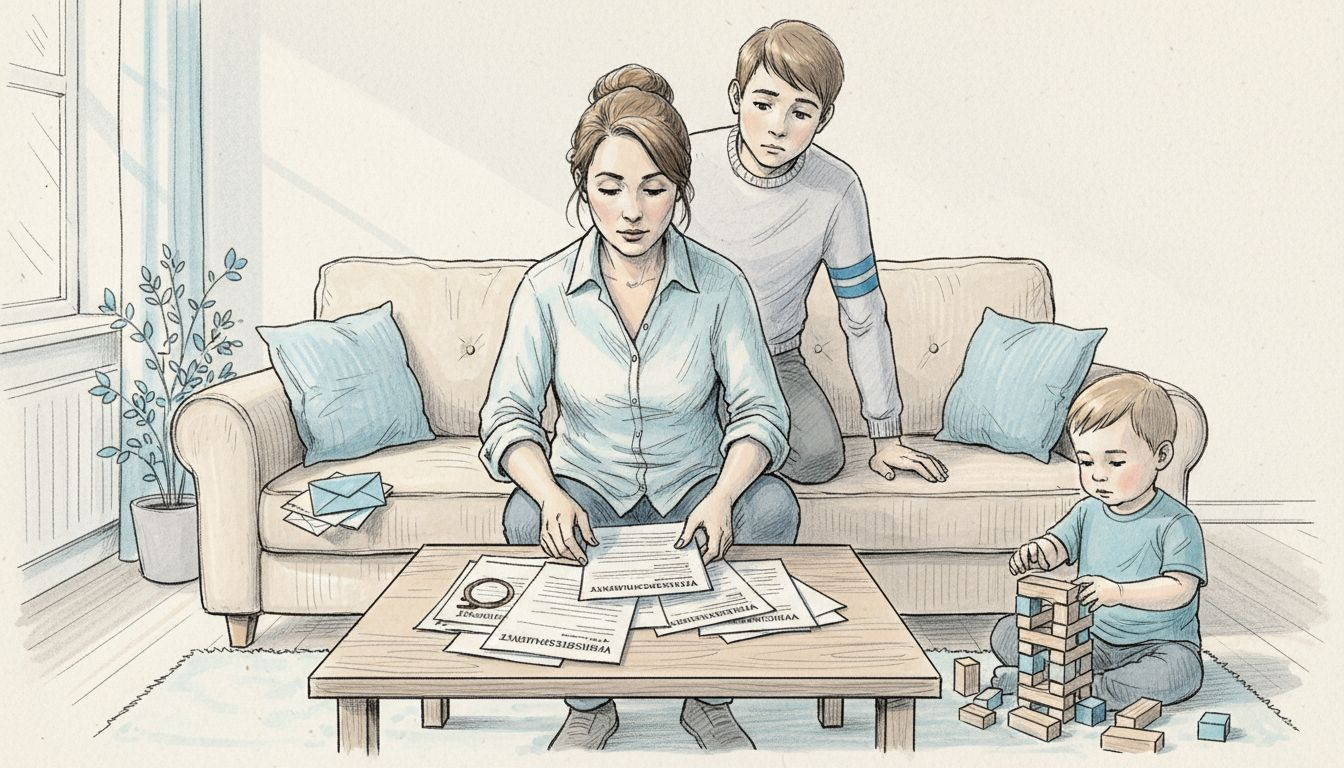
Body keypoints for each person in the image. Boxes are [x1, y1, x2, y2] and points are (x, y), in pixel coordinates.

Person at [478, 63, 800, 752]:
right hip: (588, 489)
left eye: (653, 190)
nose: (631, 212)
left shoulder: (719, 285)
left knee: (772, 507)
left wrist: (721, 496)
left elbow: (761, 413)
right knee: (522, 512)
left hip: (692, 489)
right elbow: (508, 417)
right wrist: (551, 494)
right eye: (610, 188)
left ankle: (709, 697)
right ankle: (590, 702)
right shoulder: (544, 290)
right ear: (582, 190)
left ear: (679, 191)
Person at [687, 19, 948, 485]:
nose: (777, 127)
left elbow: (864, 314)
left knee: (819, 458)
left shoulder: (837, 189)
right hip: (680, 354)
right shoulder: (686, 163)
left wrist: (886, 435)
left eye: (800, 113)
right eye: (763, 104)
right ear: (735, 97)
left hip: (773, 358)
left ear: (823, 119)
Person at [989, 373, 1206, 709]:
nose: (1098, 474)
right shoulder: (1088, 511)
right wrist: (1039, 552)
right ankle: (1070, 681)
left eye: (1116, 462)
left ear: (1160, 457)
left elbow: (1181, 589)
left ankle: (1064, 684)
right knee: (1006, 632)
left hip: (1160, 645)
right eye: (1086, 461)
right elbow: (1058, 545)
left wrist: (1117, 592)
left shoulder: (1177, 521)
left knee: (1180, 673)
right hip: (1090, 640)